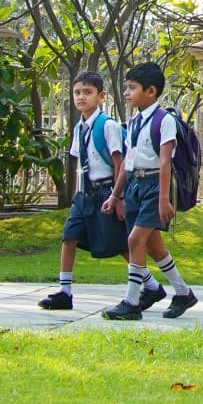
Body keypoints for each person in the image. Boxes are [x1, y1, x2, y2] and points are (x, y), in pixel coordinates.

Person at [101, 61, 198, 321]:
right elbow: (128, 162)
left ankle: (132, 302)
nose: (126, 93)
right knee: (154, 247)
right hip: (135, 185)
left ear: (151, 91)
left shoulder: (163, 121)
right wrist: (116, 194)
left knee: (134, 241)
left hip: (156, 185)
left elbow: (165, 161)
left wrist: (164, 199)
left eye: (132, 88)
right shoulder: (133, 122)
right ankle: (182, 292)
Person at [38, 70, 125, 311]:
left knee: (117, 243)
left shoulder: (107, 126)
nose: (81, 97)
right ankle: (65, 291)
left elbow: (119, 163)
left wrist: (117, 197)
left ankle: (147, 283)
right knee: (69, 236)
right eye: (77, 92)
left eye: (87, 92)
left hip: (105, 190)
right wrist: (76, 193)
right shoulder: (79, 128)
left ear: (101, 96)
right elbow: (78, 162)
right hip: (84, 194)